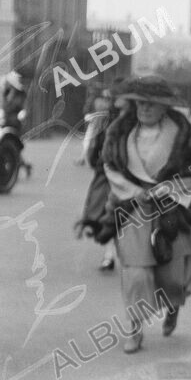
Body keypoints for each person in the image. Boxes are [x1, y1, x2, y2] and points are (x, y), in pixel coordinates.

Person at [102, 76, 191, 352]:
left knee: (173, 275)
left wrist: (171, 188)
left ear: (164, 107)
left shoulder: (181, 131)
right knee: (136, 272)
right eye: (140, 103)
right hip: (134, 209)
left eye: (152, 104)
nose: (145, 108)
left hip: (171, 208)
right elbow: (110, 167)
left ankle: (173, 306)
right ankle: (135, 329)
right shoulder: (120, 131)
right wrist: (132, 191)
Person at [76, 82, 130, 271]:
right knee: (108, 213)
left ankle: (122, 254)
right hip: (108, 173)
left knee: (124, 215)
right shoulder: (107, 120)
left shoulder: (129, 121)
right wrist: (96, 161)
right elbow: (96, 145)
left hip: (125, 175)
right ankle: (109, 255)